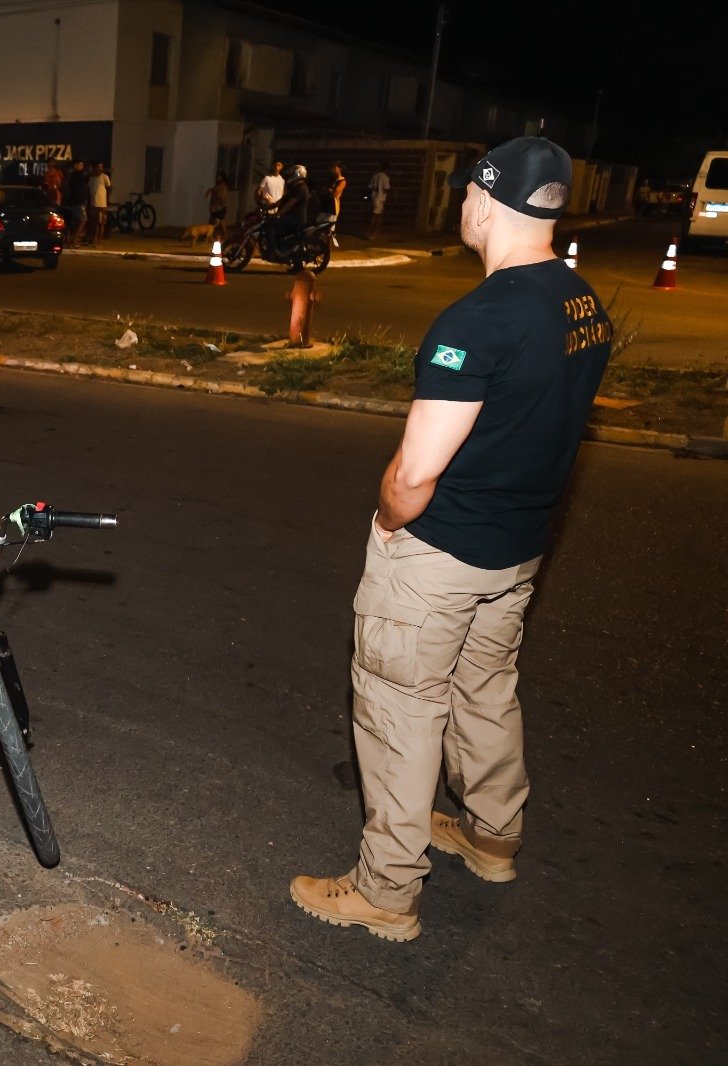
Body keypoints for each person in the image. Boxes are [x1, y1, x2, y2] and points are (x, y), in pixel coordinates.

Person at [289, 137, 611, 942]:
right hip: (518, 550)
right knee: (485, 689)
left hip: (441, 555)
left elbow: (414, 474)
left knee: (400, 707)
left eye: (468, 192)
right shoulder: (582, 304)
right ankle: (492, 835)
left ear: (486, 203)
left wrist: (388, 522)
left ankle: (386, 891)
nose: (462, 203)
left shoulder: (480, 319)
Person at [64, 159, 89, 247]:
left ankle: (72, 240)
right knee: (83, 220)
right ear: (75, 165)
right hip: (78, 201)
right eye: (80, 165)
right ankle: (74, 240)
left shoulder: (73, 175)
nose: (82, 167)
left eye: (82, 165)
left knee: (76, 221)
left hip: (75, 201)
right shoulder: (77, 174)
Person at [321, 162, 347, 246]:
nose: (332, 170)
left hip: (333, 206)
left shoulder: (342, 181)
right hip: (326, 204)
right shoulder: (332, 179)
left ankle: (327, 246)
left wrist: (330, 190)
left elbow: (335, 192)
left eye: (334, 168)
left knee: (330, 226)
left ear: (340, 169)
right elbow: (325, 190)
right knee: (320, 223)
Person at [88, 162, 112, 245]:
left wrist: (107, 199)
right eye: (99, 167)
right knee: (94, 222)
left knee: (101, 222)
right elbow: (90, 190)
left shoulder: (104, 177)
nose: (100, 168)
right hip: (93, 202)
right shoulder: (91, 178)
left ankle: (99, 240)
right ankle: (94, 238)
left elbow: (109, 188)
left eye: (101, 167)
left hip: (102, 202)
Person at [205, 169, 230, 242]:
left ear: (222, 176)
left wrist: (211, 190)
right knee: (213, 222)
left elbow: (219, 192)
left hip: (219, 206)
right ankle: (210, 237)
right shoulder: (218, 184)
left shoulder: (223, 184)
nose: (217, 177)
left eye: (218, 176)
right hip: (215, 206)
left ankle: (225, 237)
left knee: (221, 222)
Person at [367, 162, 391, 239]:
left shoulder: (375, 176)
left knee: (375, 215)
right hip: (380, 198)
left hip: (374, 197)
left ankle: (373, 232)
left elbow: (370, 187)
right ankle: (371, 233)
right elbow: (386, 188)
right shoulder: (385, 177)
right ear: (387, 169)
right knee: (376, 217)